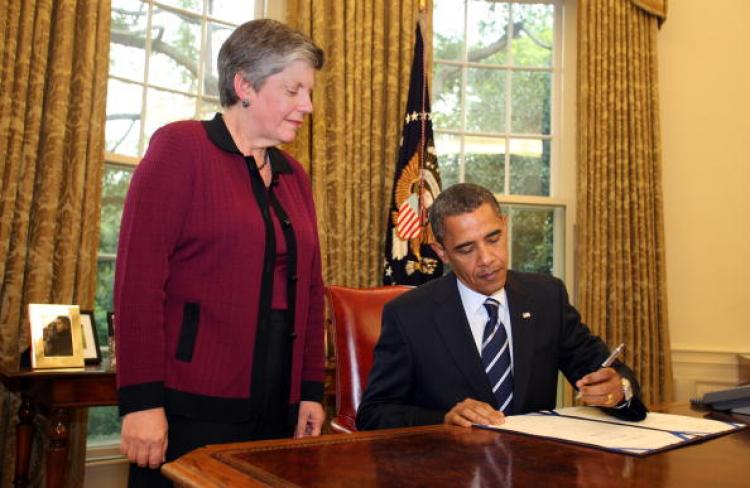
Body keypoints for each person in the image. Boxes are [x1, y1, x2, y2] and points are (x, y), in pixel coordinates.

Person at [114, 19, 326, 486]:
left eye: (308, 92)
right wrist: (141, 402)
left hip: (277, 405)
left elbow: (310, 291)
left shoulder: (294, 176)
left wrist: (309, 390)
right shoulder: (180, 149)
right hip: (191, 405)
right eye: (293, 90)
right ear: (244, 84)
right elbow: (137, 285)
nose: (307, 105)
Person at [356, 183, 647, 430]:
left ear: (505, 226)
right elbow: (374, 414)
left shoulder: (547, 297)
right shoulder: (410, 315)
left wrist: (618, 390)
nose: (487, 259)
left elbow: (609, 372)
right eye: (466, 249)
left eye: (493, 238)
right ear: (442, 252)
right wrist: (443, 420)